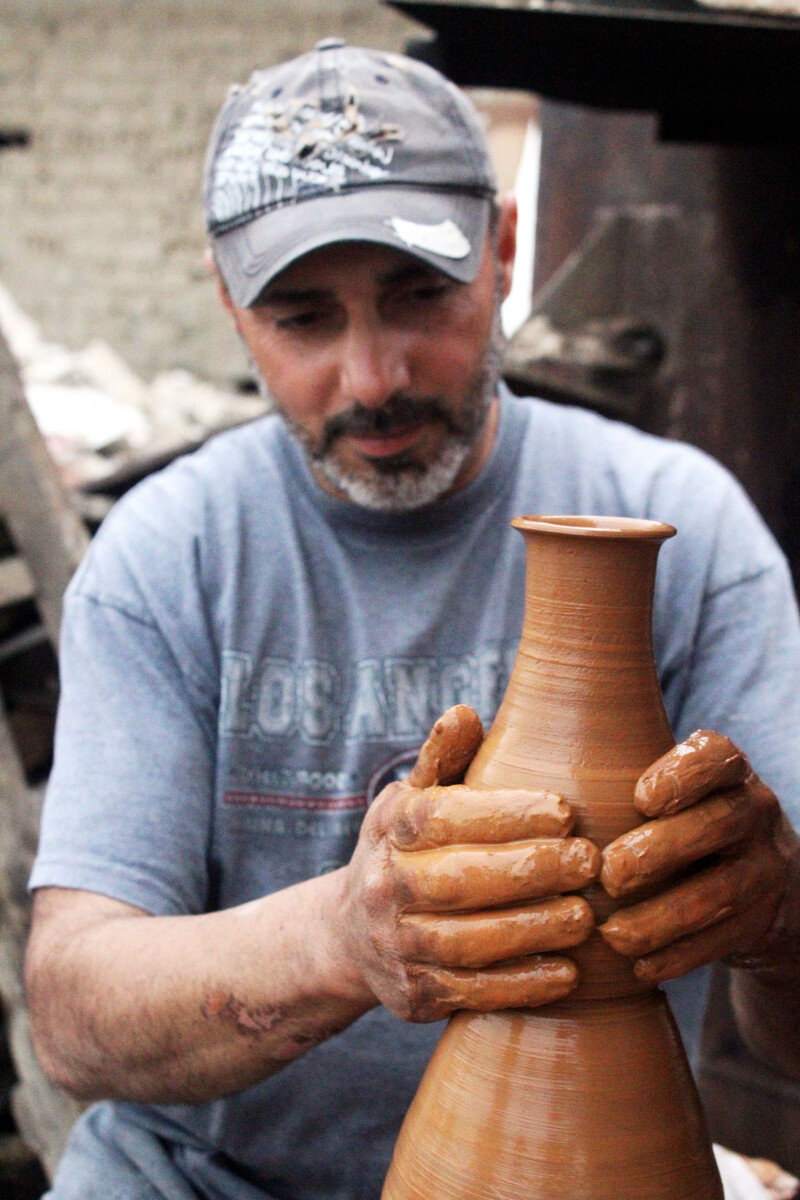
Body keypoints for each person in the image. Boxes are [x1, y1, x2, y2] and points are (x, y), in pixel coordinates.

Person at [25, 39, 800, 1200]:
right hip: (211, 1178)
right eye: (303, 320)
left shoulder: (679, 529)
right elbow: (74, 1017)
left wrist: (777, 915)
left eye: (417, 296)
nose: (373, 374)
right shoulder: (167, 555)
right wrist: (343, 936)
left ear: (499, 253)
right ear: (231, 308)